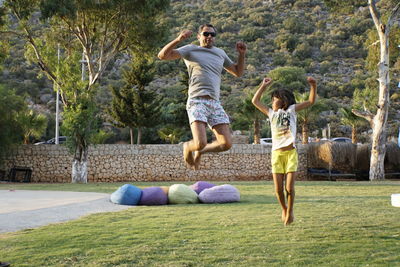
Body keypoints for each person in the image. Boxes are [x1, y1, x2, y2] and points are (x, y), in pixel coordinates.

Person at [158, 24, 246, 169]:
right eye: (206, 34)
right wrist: (179, 39)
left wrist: (241, 54)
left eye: (212, 34)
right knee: (200, 142)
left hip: (214, 102)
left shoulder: (220, 53)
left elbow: (238, 72)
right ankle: (188, 147)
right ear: (199, 36)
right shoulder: (191, 49)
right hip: (197, 100)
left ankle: (201, 152)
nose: (209, 37)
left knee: (226, 144)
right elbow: (162, 56)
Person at [252, 76, 317, 225]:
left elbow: (311, 101)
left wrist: (313, 85)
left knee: (289, 187)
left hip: (290, 154)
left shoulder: (292, 110)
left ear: (282, 100)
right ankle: (284, 208)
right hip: (276, 155)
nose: (272, 102)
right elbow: (254, 101)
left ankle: (291, 210)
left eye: (274, 99)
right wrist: (263, 86)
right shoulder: (271, 113)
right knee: (278, 190)